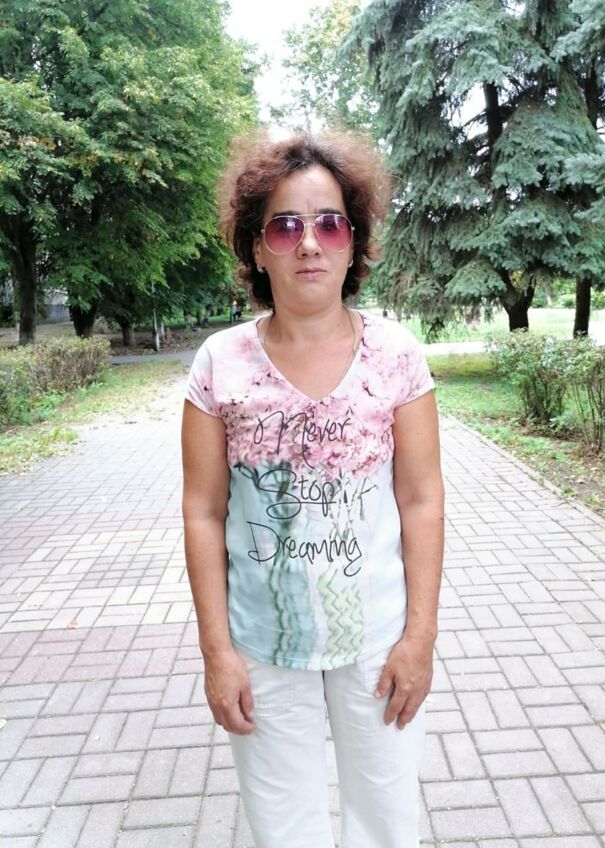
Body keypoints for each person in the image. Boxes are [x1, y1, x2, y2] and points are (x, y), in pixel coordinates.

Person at [181, 132, 445, 848]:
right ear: (256, 248)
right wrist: (217, 651)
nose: (308, 244)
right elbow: (203, 512)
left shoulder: (396, 357)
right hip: (262, 647)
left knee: (387, 825)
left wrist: (420, 637)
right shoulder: (219, 364)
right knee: (283, 831)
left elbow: (422, 500)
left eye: (329, 224)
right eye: (284, 226)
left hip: (379, 643)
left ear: (353, 243)